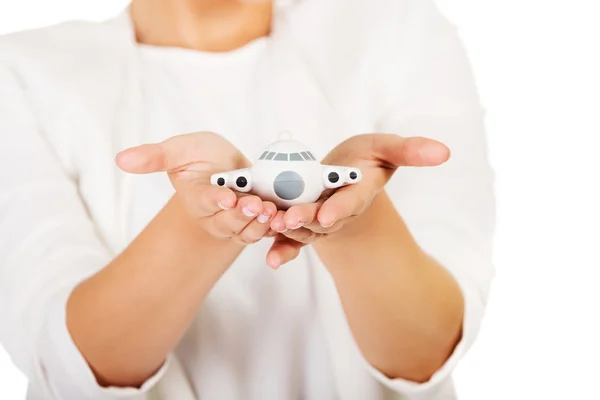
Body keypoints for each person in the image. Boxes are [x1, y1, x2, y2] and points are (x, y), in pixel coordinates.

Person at [0, 0, 495, 399]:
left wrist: (353, 224)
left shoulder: (399, 31)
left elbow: (429, 352)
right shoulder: (24, 72)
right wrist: (200, 226)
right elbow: (67, 365)